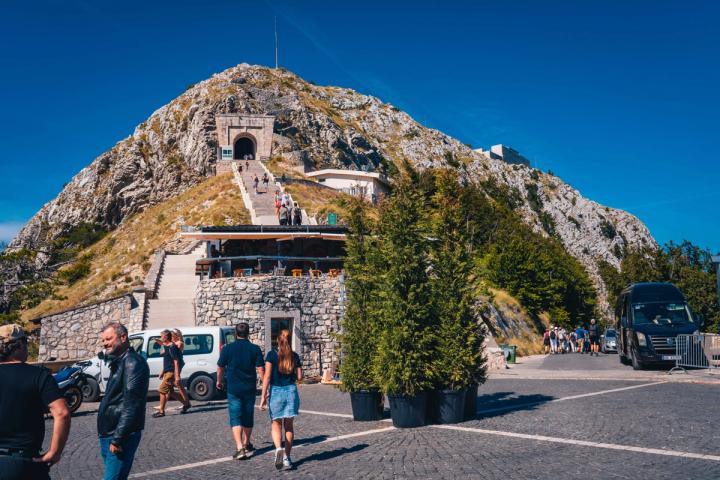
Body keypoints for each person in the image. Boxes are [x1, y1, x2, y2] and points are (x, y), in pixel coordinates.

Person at [0, 324, 70, 480]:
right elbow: (62, 412)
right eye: (26, 343)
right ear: (19, 345)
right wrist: (54, 452)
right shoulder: (39, 375)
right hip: (22, 463)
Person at [98, 322, 149, 480]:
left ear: (123, 337)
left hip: (119, 435)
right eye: (103, 340)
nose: (105, 343)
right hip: (109, 433)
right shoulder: (119, 360)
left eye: (109, 339)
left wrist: (118, 438)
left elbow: (132, 405)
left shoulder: (133, 363)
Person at [216, 323, 265, 461]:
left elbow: (220, 367)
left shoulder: (228, 348)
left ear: (235, 334)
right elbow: (261, 369)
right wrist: (266, 387)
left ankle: (240, 448)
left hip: (233, 388)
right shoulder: (254, 349)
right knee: (248, 416)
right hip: (249, 388)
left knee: (235, 417)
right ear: (248, 333)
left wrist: (219, 381)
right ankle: (246, 443)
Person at [260, 329, 302, 470]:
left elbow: (266, 377)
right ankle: (287, 458)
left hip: (276, 392)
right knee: (289, 427)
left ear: (278, 340)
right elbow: (300, 377)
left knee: (276, 424)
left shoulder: (271, 355)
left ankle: (278, 448)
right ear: (289, 340)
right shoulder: (294, 356)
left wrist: (263, 397)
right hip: (290, 391)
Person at [153, 330, 191, 418]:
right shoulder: (166, 346)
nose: (160, 338)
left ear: (166, 337)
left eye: (161, 336)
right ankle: (186, 404)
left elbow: (176, 361)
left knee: (162, 389)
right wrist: (162, 372)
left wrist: (177, 376)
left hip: (171, 373)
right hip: (167, 372)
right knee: (171, 392)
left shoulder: (172, 347)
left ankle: (161, 411)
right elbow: (167, 360)